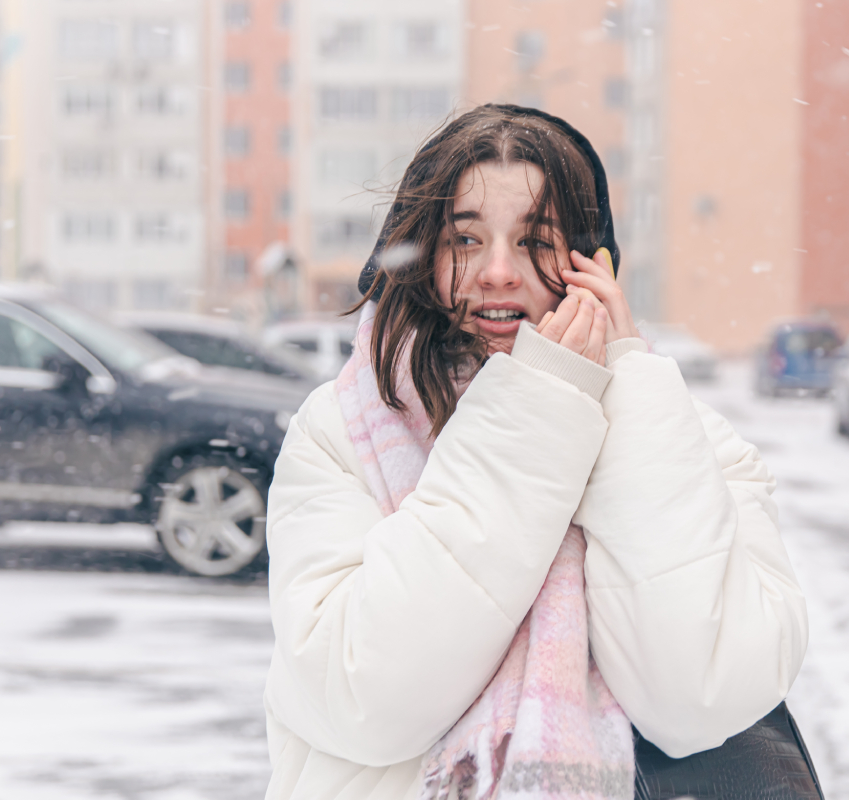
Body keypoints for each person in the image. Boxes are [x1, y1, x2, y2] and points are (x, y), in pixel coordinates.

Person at [262, 104, 809, 800]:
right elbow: (364, 700)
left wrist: (622, 380)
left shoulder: (686, 438)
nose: (497, 271)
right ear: (421, 255)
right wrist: (541, 406)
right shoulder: (340, 433)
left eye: (535, 240)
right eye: (464, 238)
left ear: (595, 263)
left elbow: (699, 696)